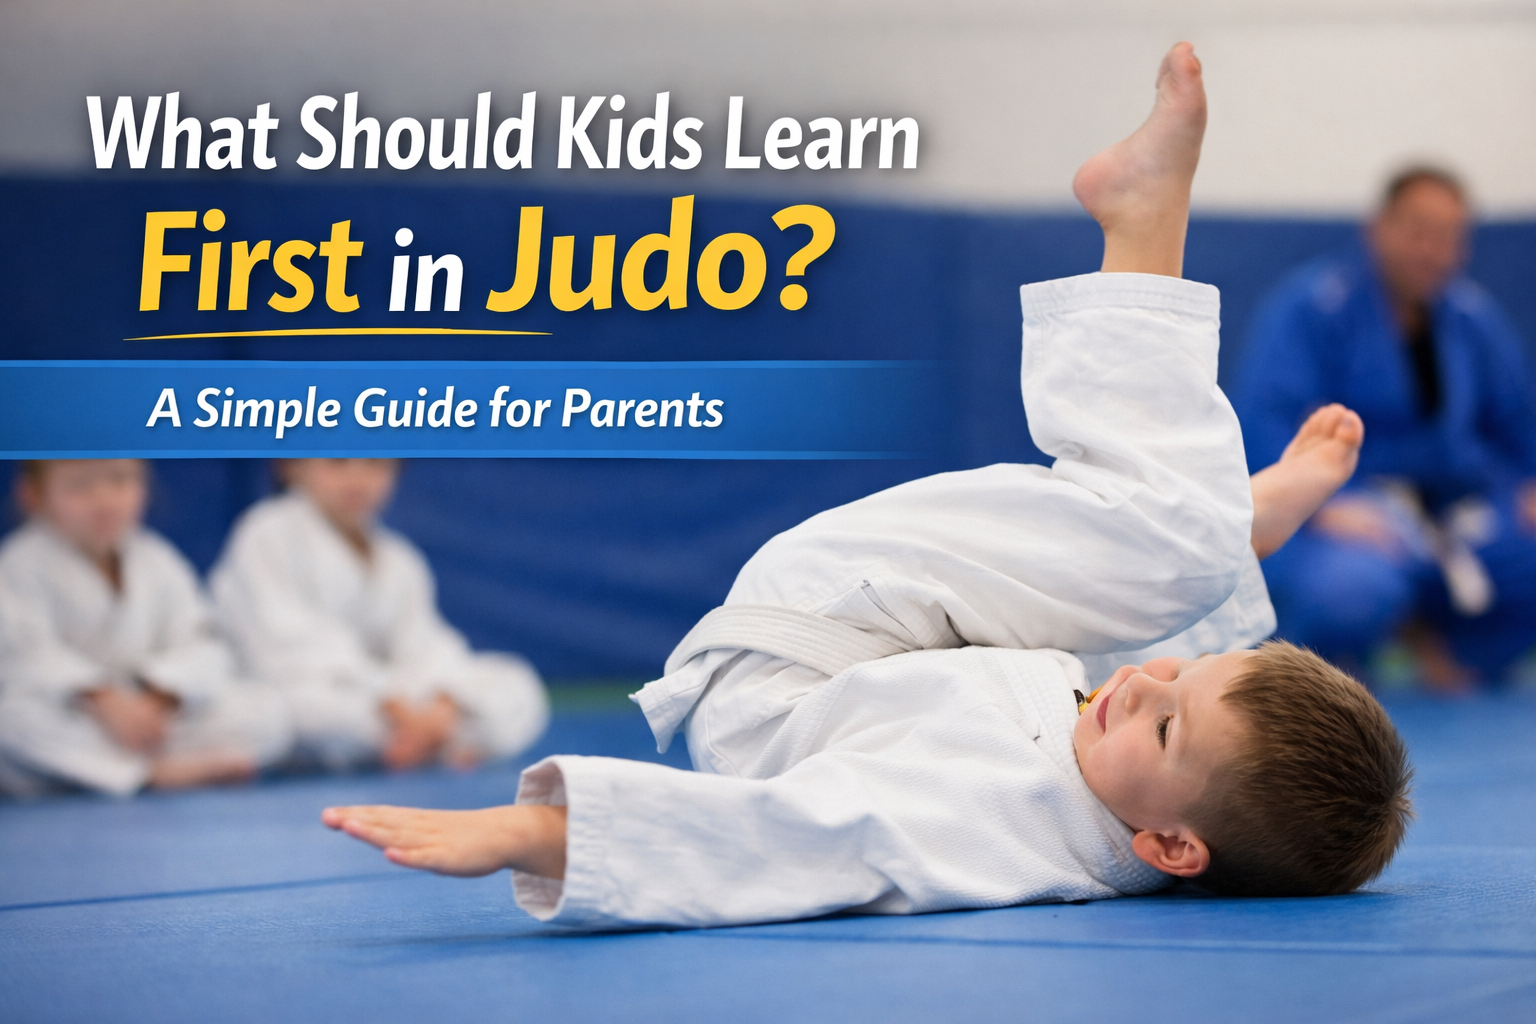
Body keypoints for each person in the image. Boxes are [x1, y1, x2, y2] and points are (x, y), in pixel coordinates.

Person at [323, 44, 1412, 930]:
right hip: (921, 654)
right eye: (1188, 677)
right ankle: (1229, 539)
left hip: (789, 664)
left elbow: (788, 841)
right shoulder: (1127, 753)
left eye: (1168, 728)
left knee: (1165, 553)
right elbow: (1153, 691)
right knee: (1168, 574)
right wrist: (1186, 648)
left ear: (1170, 847)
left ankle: (1196, 447)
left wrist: (538, 835)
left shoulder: (981, 817)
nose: (1149, 689)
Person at [1235, 165, 1536, 685]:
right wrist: (1317, 499)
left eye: (1448, 237)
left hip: (1451, 514)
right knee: (1351, 587)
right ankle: (1345, 667)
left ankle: (1447, 650)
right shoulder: (1313, 307)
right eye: (1419, 232)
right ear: (1378, 229)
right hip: (1345, 513)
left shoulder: (1471, 317)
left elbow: (1514, 425)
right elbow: (1265, 423)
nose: (1432, 251)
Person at [211, 459, 548, 773]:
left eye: (374, 465)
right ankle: (433, 743)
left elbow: (424, 645)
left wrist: (445, 705)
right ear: (293, 467)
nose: (357, 479)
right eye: (338, 464)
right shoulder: (267, 533)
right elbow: (289, 649)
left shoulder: (399, 558)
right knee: (285, 715)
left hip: (391, 703)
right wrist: (392, 702)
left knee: (515, 683)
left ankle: (425, 738)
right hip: (305, 692)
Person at [0, 459, 291, 796]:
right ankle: (147, 775)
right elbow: (25, 657)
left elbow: (201, 642)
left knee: (266, 709)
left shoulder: (156, 560)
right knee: (13, 720)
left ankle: (120, 768)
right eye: (79, 487)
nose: (104, 499)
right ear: (33, 495)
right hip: (79, 717)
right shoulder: (19, 565)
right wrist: (101, 697)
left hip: (156, 719)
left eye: (120, 481)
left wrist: (161, 696)